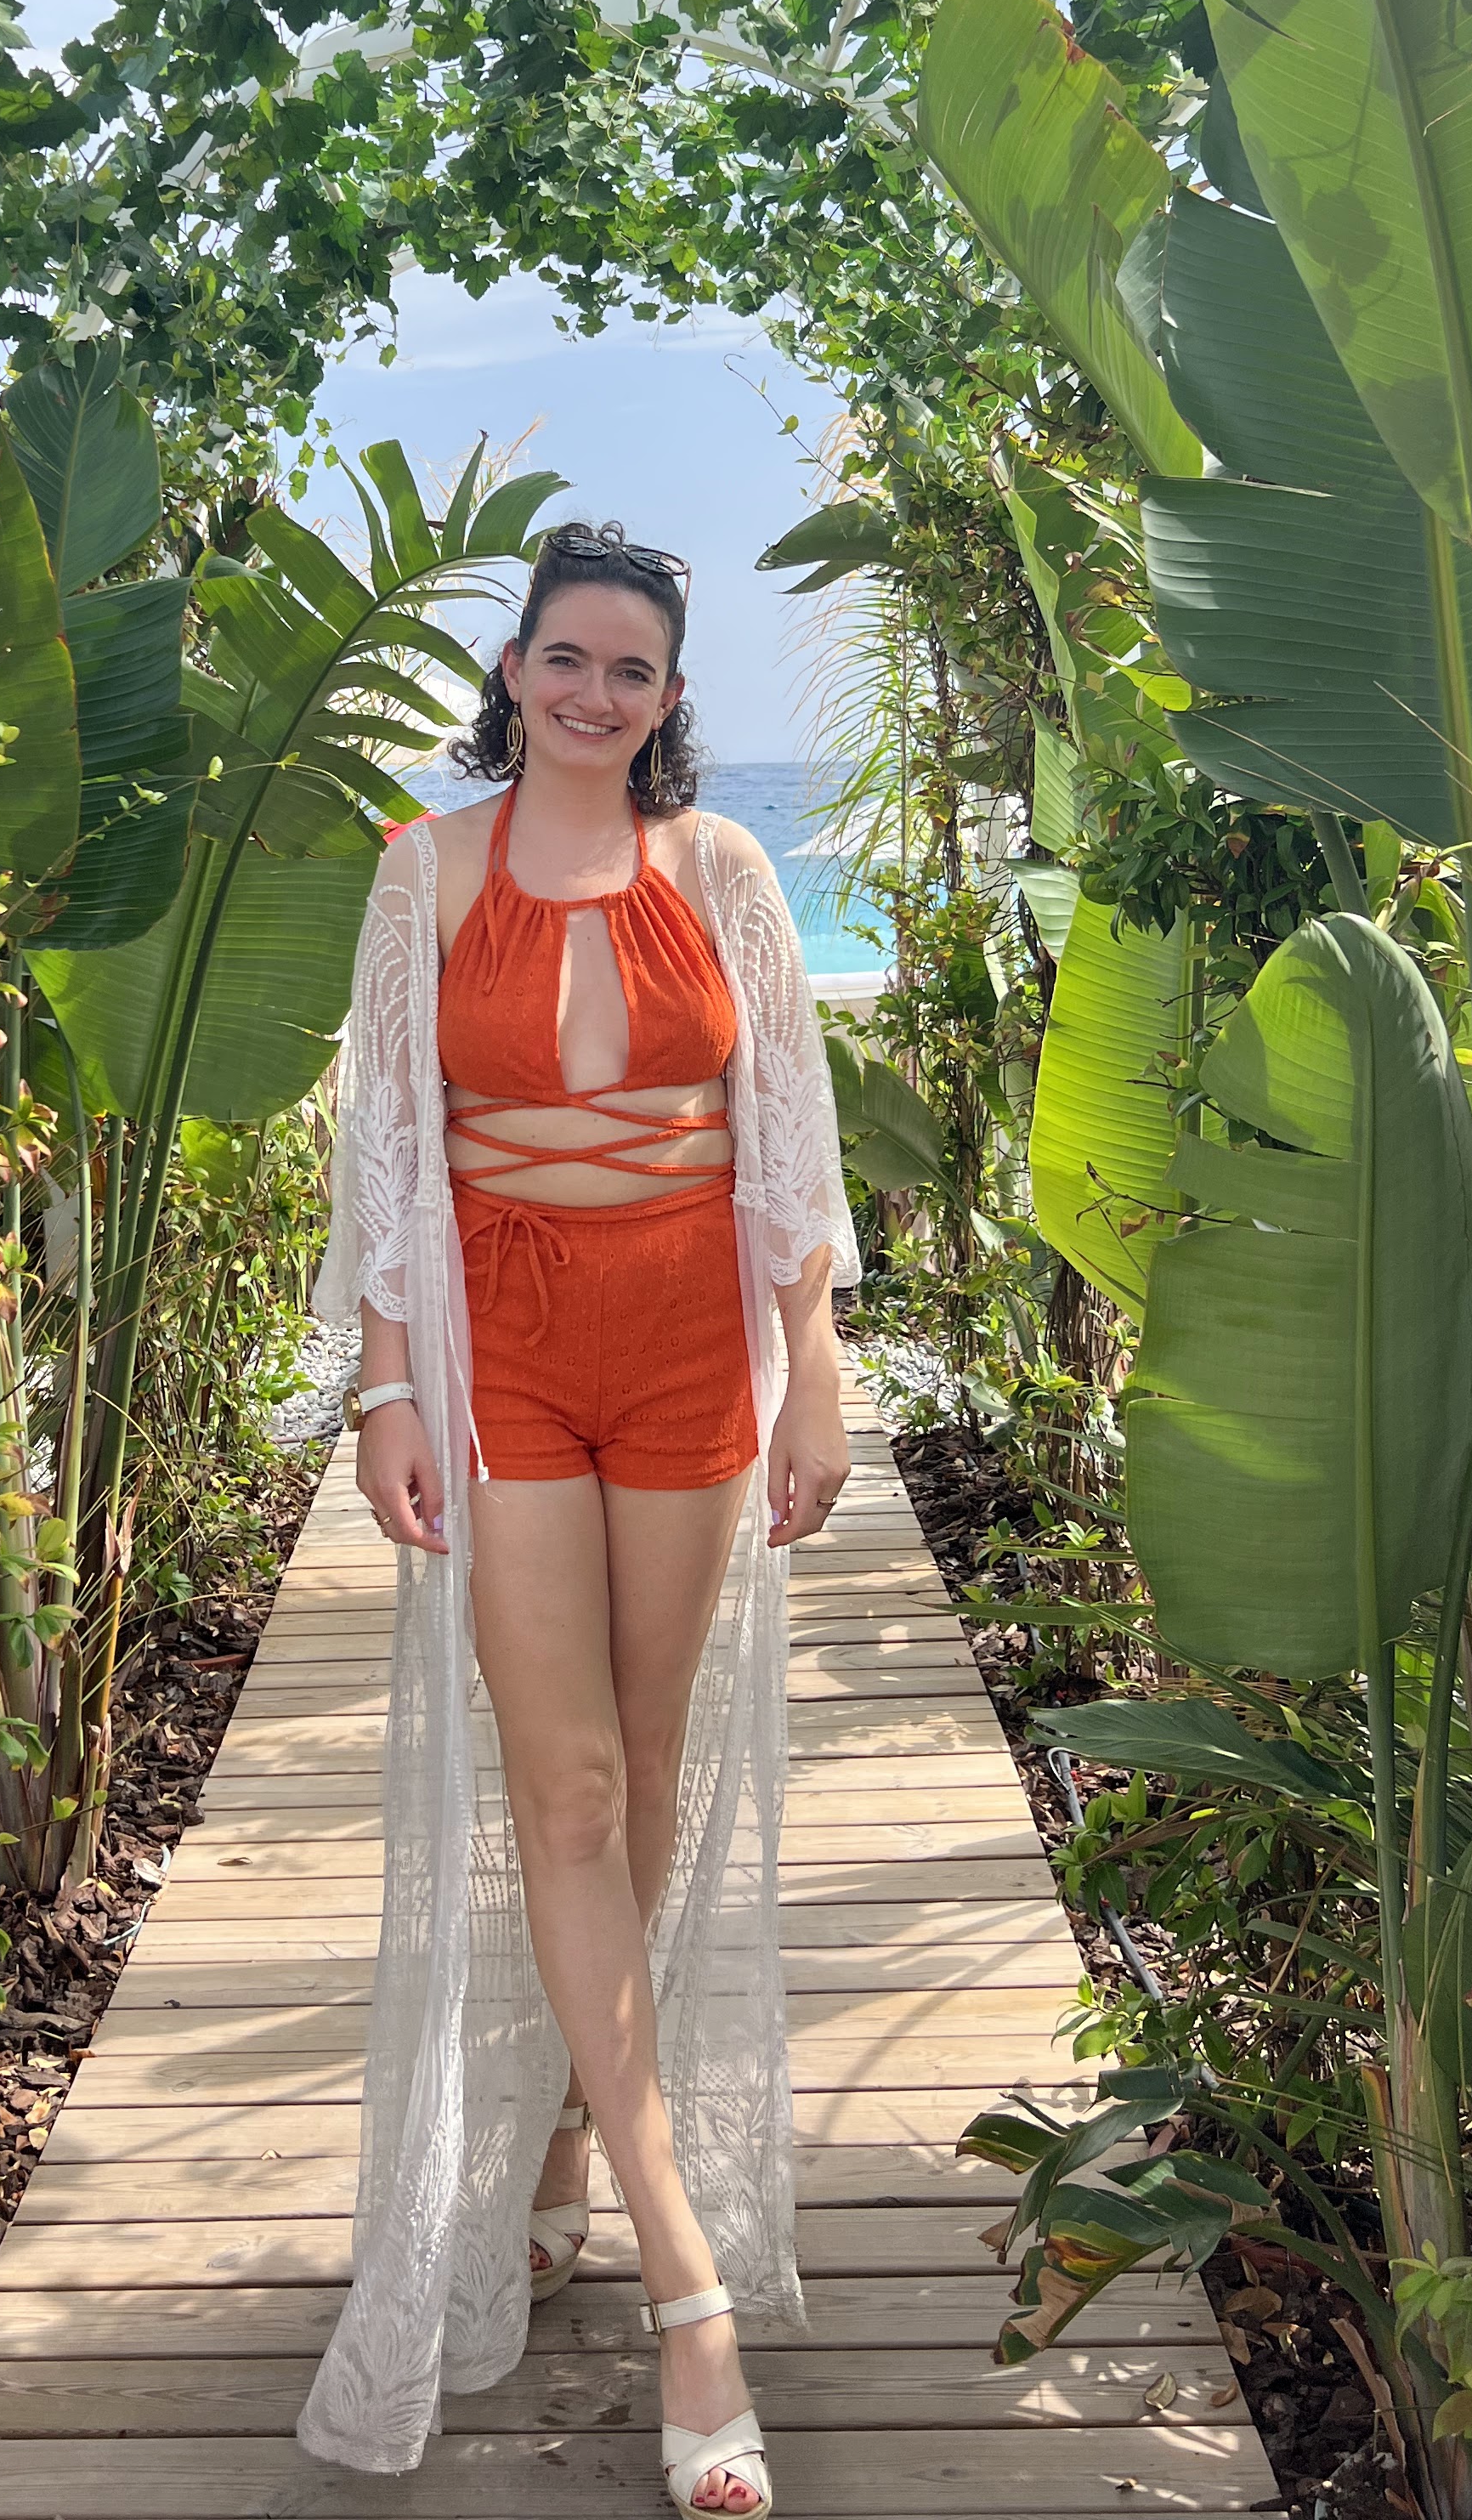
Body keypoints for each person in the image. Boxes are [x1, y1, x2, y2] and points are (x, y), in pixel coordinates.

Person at [296, 520, 859, 2518]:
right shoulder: (424, 873)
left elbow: (788, 1135)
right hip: (505, 1350)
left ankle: (557, 2144)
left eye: (633, 670)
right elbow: (387, 1146)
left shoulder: (727, 872)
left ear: (670, 697)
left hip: (692, 1343)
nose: (595, 695)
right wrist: (383, 1390)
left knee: (650, 1760)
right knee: (574, 1792)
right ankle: (689, 2289)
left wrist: (818, 1368)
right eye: (566, 659)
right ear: (513, 672)